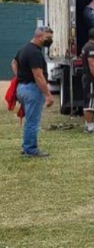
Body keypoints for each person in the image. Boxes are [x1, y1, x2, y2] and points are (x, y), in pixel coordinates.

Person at [13, 26, 55, 157]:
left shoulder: (24, 49)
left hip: (22, 88)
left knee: (30, 119)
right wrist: (48, 95)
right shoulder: (35, 53)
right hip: (32, 90)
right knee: (33, 121)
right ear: (39, 36)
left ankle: (26, 146)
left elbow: (13, 63)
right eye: (48, 37)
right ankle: (30, 149)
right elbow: (38, 76)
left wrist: (20, 76)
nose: (50, 40)